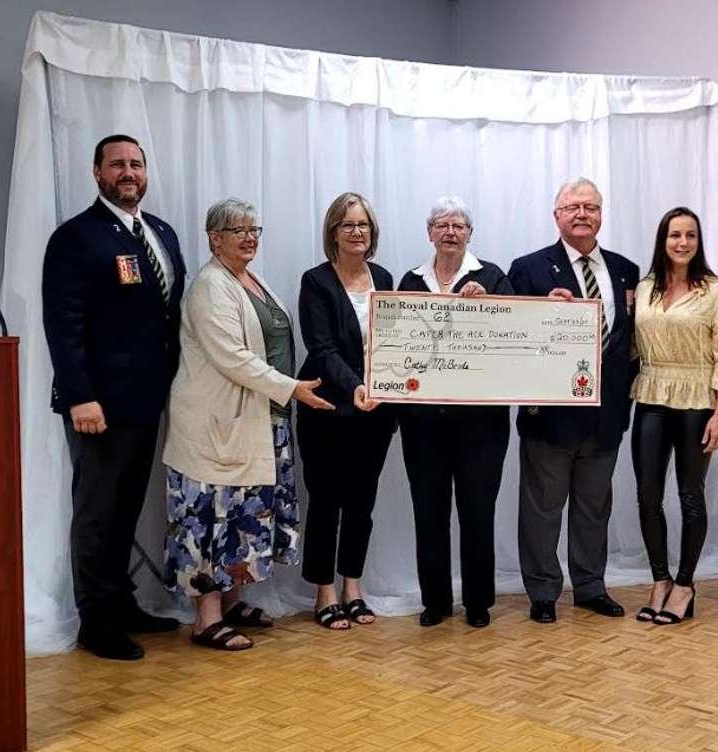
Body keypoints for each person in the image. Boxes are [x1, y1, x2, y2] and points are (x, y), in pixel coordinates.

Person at [161, 198, 334, 650]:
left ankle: (233, 602)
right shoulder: (209, 286)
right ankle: (206, 619)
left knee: (244, 516)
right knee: (211, 517)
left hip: (262, 417)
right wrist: (291, 387)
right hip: (216, 423)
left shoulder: (249, 279)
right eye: (238, 230)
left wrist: (285, 392)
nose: (249, 237)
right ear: (214, 238)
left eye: (254, 228)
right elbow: (232, 358)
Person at [42, 134, 186, 660]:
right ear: (97, 172)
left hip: (146, 400)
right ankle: (95, 621)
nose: (128, 172)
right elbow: (63, 325)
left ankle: (122, 603)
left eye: (136, 164)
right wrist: (80, 396)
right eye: (117, 164)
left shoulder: (162, 233)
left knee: (127, 507)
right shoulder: (76, 238)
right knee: (97, 512)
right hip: (97, 406)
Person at [507, 178, 640, 624]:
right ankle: (543, 591)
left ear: (601, 214)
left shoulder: (626, 270)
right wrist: (544, 311)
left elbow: (631, 340)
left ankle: (589, 586)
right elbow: (511, 333)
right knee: (542, 509)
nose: (582, 214)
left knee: (593, 507)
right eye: (573, 207)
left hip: (607, 413)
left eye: (591, 206)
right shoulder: (528, 268)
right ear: (556, 215)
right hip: (549, 414)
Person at [397, 196, 514, 628]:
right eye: (442, 225)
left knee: (477, 511)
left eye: (458, 226)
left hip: (481, 425)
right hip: (423, 423)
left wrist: (489, 308)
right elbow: (397, 344)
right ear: (429, 233)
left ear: (470, 234)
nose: (450, 232)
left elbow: (512, 343)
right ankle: (436, 601)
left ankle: (479, 602)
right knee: (429, 512)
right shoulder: (410, 281)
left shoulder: (494, 278)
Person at [630, 207, 718, 624]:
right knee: (647, 496)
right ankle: (659, 580)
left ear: (698, 242)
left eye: (690, 235)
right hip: (651, 394)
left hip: (697, 401)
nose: (682, 242)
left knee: (690, 496)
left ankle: (684, 585)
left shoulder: (716, 292)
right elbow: (632, 345)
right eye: (674, 235)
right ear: (663, 240)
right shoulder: (645, 289)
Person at [297, 192, 396, 630]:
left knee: (362, 502)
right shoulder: (315, 281)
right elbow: (321, 348)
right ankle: (325, 591)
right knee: (326, 500)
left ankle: (353, 586)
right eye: (347, 225)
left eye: (363, 225)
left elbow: (397, 342)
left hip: (375, 411)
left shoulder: (386, 277)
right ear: (333, 233)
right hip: (328, 408)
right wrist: (356, 385)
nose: (357, 232)